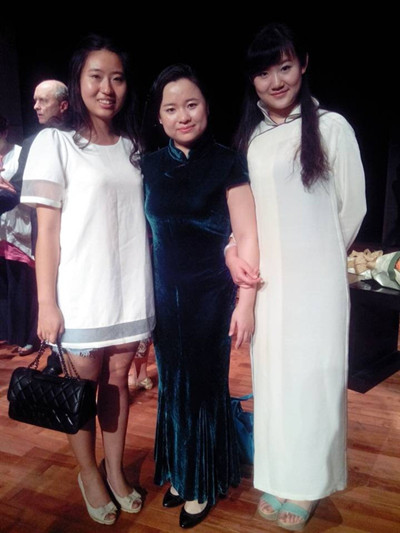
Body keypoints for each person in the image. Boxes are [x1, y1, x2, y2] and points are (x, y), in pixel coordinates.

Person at [227, 23, 367, 531]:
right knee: (275, 382)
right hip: (270, 285)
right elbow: (247, 216)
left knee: (314, 381)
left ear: (303, 64)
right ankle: (281, 474)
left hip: (318, 284)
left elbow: (352, 209)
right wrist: (234, 253)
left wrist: (321, 260)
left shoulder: (332, 127)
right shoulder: (252, 139)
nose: (276, 81)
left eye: (285, 67)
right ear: (252, 81)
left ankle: (309, 483)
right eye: (264, 73)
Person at [20, 34, 155, 525]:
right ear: (78, 82)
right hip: (82, 290)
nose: (107, 88)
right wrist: (47, 303)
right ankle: (89, 474)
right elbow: (46, 234)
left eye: (117, 78)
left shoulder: (133, 148)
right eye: (96, 77)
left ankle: (114, 471)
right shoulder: (55, 143)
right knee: (81, 390)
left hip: (129, 288)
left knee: (118, 383)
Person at [141, 63, 259, 528]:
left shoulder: (228, 161)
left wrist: (246, 302)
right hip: (163, 297)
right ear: (159, 117)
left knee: (203, 389)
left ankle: (203, 480)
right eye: (171, 109)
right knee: (172, 386)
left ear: (206, 107)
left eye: (191, 105)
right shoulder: (149, 165)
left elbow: (247, 235)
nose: (183, 116)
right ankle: (181, 470)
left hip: (209, 296)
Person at [0, 80, 69, 358]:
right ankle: (55, 353)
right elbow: (16, 190)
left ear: (63, 105)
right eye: (34, 100)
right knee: (50, 292)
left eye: (43, 100)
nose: (36, 106)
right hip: (46, 234)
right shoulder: (33, 144)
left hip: (79, 230)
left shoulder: (83, 138)